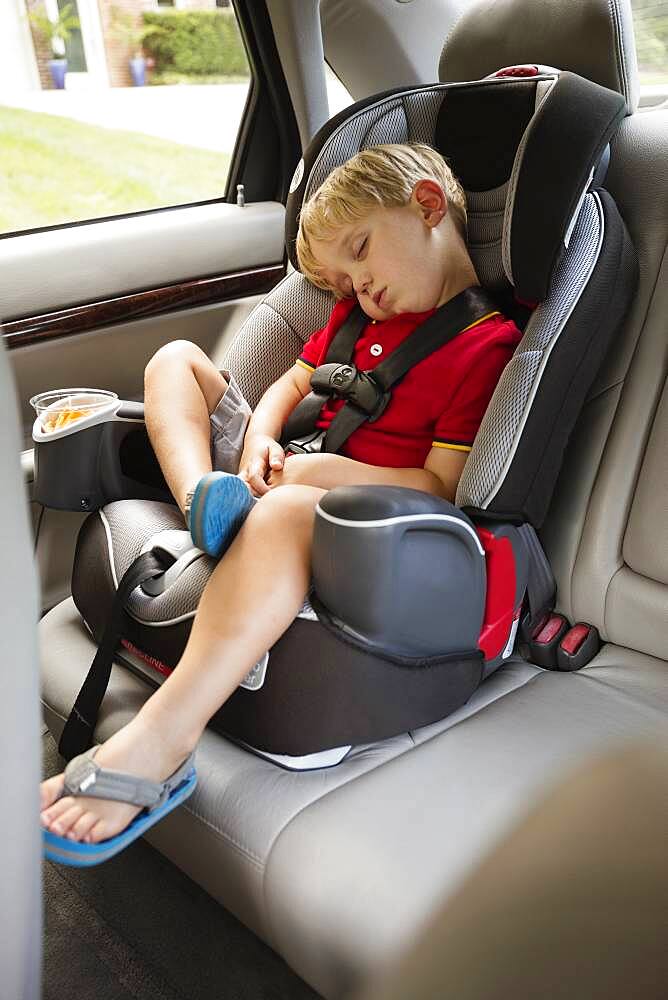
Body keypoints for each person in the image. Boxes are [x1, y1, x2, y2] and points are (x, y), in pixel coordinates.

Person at [40, 143, 522, 852]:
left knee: (294, 507)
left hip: (363, 523)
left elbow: (440, 489)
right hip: (281, 474)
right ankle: (204, 495)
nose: (361, 290)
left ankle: (161, 740)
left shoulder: (485, 347)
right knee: (175, 360)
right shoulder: (358, 320)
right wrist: (261, 439)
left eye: (363, 254)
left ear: (426, 206)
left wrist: (322, 479)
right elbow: (291, 387)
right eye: (344, 281)